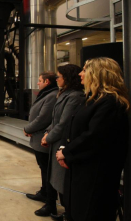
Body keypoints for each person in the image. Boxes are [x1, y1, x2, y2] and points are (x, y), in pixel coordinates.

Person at [56, 58, 129, 221]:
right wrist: (63, 149)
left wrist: (67, 152)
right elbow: (70, 126)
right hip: (81, 171)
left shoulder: (110, 102)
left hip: (95, 176)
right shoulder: (92, 99)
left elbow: (94, 137)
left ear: (98, 74)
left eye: (84, 70)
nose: (81, 74)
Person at [35, 64, 83, 218]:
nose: (57, 79)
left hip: (63, 144)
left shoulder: (74, 97)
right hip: (55, 141)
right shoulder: (63, 94)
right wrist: (47, 133)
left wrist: (48, 137)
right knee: (54, 178)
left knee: (62, 181)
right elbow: (55, 120)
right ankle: (54, 207)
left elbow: (64, 123)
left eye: (59, 76)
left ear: (67, 78)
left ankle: (68, 213)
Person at [24, 72, 59, 203]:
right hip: (37, 136)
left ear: (47, 82)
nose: (37, 83)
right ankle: (44, 191)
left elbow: (43, 118)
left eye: (40, 80)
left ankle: (47, 195)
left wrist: (28, 128)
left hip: (42, 138)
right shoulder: (47, 94)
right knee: (43, 167)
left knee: (46, 168)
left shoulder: (51, 96)